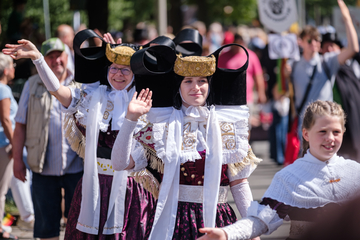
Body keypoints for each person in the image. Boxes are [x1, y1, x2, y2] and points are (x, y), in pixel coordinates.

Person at [3, 30, 155, 239]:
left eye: (125, 70)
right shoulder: (93, 96)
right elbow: (58, 91)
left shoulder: (145, 102)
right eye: (114, 68)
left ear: (135, 74)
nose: (118, 74)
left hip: (129, 188)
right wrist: (38, 59)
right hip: (93, 184)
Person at [111, 46, 262, 239]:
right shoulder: (161, 126)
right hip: (175, 220)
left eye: (202, 81)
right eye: (188, 81)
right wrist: (130, 119)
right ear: (178, 86)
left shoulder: (228, 126)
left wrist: (253, 230)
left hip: (218, 222)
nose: (196, 87)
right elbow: (119, 163)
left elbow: (239, 184)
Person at [198, 100, 360, 240]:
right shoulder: (289, 177)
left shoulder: (355, 171)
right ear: (306, 134)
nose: (330, 138)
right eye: (322, 131)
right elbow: (261, 219)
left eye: (336, 132)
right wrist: (226, 234)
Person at [3, 38, 84, 240]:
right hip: (43, 169)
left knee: (79, 228)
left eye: (59, 55)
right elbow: (20, 124)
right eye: (51, 56)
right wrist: (18, 161)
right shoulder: (32, 84)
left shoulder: (81, 83)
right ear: (44, 60)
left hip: (77, 167)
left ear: (67, 57)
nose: (56, 61)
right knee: (47, 230)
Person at [287, 0, 358, 140]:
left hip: (326, 125)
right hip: (304, 128)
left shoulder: (327, 61)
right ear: (300, 42)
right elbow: (282, 92)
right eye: (309, 40)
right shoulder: (293, 65)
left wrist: (347, 19)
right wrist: (284, 75)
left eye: (317, 40)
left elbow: (353, 49)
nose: (314, 43)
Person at [320, 31, 360, 162]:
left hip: (351, 123)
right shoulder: (321, 70)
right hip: (331, 124)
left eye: (333, 46)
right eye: (326, 47)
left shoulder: (350, 69)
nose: (330, 49)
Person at [0, 53, 18, 240]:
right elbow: (6, 119)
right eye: (12, 66)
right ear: (6, 71)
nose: (14, 69)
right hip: (3, 145)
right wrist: (15, 144)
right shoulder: (3, 90)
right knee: (1, 190)